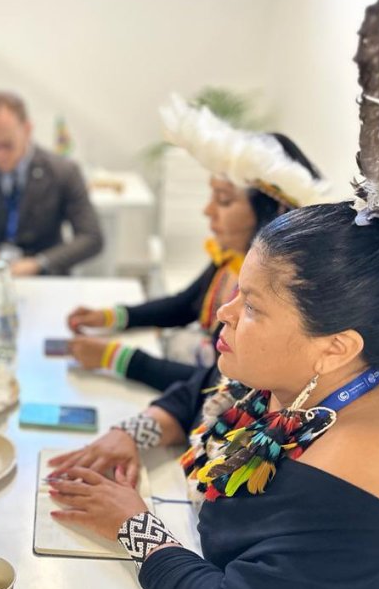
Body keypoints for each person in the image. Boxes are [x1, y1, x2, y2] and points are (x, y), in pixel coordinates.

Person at [47, 0, 379, 589]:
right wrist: (135, 432)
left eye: (251, 306)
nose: (224, 316)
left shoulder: (356, 498)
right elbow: (213, 387)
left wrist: (135, 528)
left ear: (336, 343)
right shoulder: (321, 379)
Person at [51, 99, 326, 484]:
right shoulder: (233, 263)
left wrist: (117, 357)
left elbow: (211, 382)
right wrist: (116, 317)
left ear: (274, 213)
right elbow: (189, 324)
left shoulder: (280, 332)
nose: (207, 211)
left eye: (224, 200)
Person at [0, 90, 104, 276]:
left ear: (27, 130)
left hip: (47, 279)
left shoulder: (63, 171)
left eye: (7, 145)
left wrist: (39, 263)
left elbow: (91, 238)